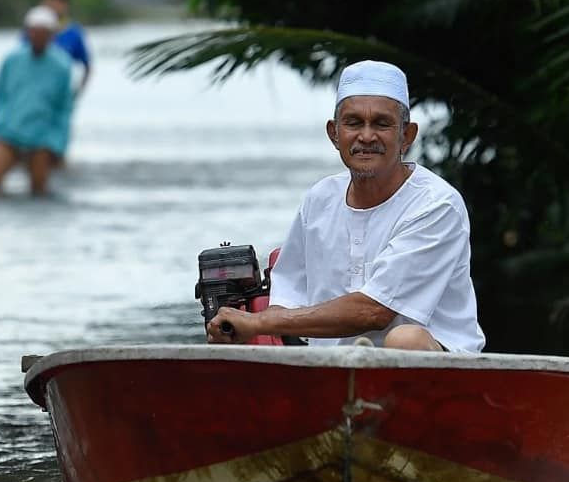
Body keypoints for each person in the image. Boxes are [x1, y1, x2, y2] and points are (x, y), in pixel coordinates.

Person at [206, 59, 485, 352]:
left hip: (434, 368)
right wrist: (237, 327)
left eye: (381, 124)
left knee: (405, 339)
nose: (366, 136)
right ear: (334, 133)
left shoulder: (437, 205)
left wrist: (259, 322)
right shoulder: (319, 199)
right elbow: (287, 298)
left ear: (407, 135)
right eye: (353, 123)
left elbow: (374, 311)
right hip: (333, 367)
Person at [0, 6, 75, 197]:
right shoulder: (11, 60)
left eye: (42, 33)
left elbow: (65, 108)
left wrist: (59, 144)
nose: (37, 37)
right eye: (34, 32)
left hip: (43, 138)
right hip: (10, 132)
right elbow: (0, 97)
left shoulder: (62, 65)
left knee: (39, 191)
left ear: (51, 35)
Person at [38, 0, 92, 97]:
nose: (52, 5)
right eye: (49, 0)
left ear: (65, 4)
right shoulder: (33, 30)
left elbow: (87, 66)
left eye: (57, 1)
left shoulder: (74, 33)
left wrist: (76, 94)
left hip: (60, 93)